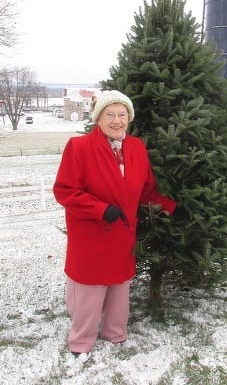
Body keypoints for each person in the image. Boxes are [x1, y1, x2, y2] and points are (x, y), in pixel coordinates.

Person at [53, 90, 176, 361]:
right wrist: (99, 210)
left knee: (119, 290)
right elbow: (65, 191)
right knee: (89, 291)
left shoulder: (136, 148)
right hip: (91, 234)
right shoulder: (80, 147)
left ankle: (114, 332)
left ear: (129, 119)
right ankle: (81, 341)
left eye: (122, 115)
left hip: (122, 235)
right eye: (110, 114)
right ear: (98, 118)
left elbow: (146, 190)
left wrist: (171, 207)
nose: (117, 120)